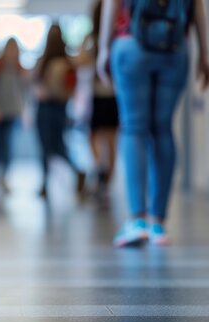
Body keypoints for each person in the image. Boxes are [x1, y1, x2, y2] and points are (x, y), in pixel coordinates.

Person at [97, 0, 209, 246]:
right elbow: (198, 5)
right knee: (163, 129)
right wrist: (204, 53)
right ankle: (157, 222)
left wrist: (104, 48)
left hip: (131, 42)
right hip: (175, 47)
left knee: (133, 128)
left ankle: (137, 220)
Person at [33, 24, 86, 198]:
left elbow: (37, 86)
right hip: (58, 109)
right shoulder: (65, 62)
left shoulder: (46, 61)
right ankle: (48, 183)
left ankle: (49, 183)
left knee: (51, 147)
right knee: (54, 146)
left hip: (48, 108)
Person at [78, 0, 120, 203]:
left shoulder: (94, 39)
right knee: (109, 140)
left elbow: (80, 60)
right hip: (112, 95)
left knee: (96, 137)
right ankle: (105, 180)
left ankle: (101, 174)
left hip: (102, 95)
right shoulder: (117, 36)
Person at [0, 37, 27, 193]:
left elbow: (24, 91)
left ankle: (3, 176)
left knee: (8, 144)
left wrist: (23, 109)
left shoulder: (19, 68)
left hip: (13, 111)